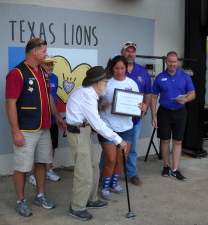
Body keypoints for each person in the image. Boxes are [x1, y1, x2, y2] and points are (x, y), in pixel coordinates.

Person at [5, 38, 66, 217]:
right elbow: (10, 104)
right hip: (26, 129)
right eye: (44, 51)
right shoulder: (17, 73)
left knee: (42, 163)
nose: (46, 54)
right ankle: (20, 201)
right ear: (35, 52)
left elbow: (49, 99)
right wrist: (16, 131)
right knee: (22, 167)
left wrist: (57, 117)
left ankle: (40, 195)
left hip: (45, 128)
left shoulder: (43, 72)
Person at [66, 66, 128, 221]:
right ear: (98, 83)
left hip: (84, 131)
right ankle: (77, 207)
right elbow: (98, 124)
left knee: (93, 166)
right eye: (105, 81)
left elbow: (92, 121)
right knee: (84, 171)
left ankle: (91, 199)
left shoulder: (89, 93)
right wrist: (118, 140)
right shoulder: (86, 95)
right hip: (78, 134)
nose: (107, 84)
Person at [98, 56, 146, 200]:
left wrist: (142, 109)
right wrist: (102, 107)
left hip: (127, 128)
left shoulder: (132, 83)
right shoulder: (106, 84)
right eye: (117, 68)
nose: (119, 71)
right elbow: (95, 105)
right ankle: (105, 186)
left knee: (121, 160)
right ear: (112, 69)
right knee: (111, 160)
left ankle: (113, 184)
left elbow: (139, 108)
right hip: (108, 127)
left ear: (127, 69)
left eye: (122, 68)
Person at [150, 51, 195, 181]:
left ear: (177, 62)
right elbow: (153, 97)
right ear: (166, 62)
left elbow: (192, 93)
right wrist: (153, 116)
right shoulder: (159, 77)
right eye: (170, 61)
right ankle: (166, 166)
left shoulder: (185, 77)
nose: (172, 64)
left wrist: (186, 100)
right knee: (164, 140)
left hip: (180, 112)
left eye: (174, 61)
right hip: (164, 112)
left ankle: (175, 169)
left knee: (177, 141)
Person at [121, 41, 152, 186]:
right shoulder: (116, 68)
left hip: (135, 119)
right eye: (128, 51)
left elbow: (148, 93)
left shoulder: (142, 71)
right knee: (113, 146)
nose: (130, 54)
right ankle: (107, 175)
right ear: (122, 52)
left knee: (132, 147)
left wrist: (144, 109)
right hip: (117, 117)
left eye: (133, 51)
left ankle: (132, 173)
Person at [28, 55, 61, 186]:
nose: (51, 66)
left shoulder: (55, 78)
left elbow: (52, 98)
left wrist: (57, 116)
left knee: (52, 146)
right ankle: (32, 174)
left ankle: (48, 170)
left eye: (52, 64)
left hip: (52, 119)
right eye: (48, 64)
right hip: (38, 120)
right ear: (41, 64)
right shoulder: (34, 77)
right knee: (35, 149)